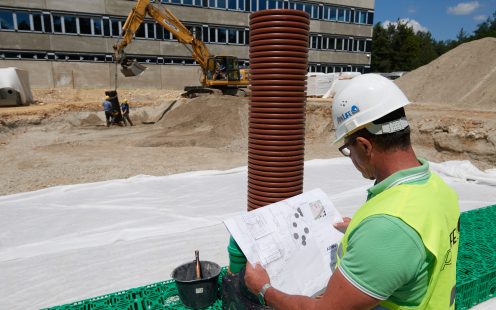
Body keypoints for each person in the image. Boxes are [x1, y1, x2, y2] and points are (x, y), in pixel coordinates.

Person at [244, 74, 460, 309]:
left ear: (365, 146)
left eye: (348, 149)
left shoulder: (388, 227)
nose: (351, 158)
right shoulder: (438, 188)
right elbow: (414, 246)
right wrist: (360, 232)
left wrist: (264, 289)